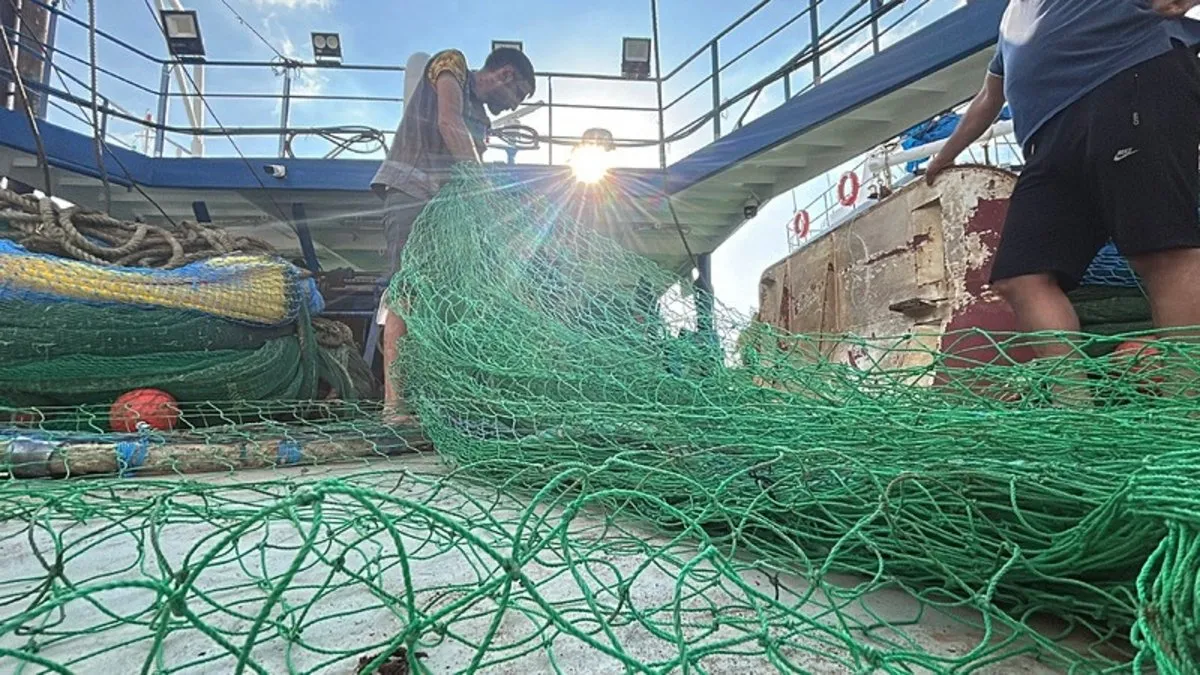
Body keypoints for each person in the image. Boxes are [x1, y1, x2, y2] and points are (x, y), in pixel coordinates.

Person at [925, 0, 1200, 374]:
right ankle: (1072, 413)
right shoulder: (1011, 20)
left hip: (1130, 81)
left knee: (1164, 251)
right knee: (1020, 277)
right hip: (1047, 141)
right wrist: (946, 154)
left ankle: (1184, 412)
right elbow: (989, 98)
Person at [371, 47, 535, 417]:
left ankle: (434, 395)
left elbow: (469, 155)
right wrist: (482, 190)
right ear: (505, 75)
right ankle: (395, 405)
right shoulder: (453, 66)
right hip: (411, 191)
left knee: (443, 296)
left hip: (444, 210)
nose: (513, 106)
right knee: (407, 291)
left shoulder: (484, 121)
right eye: (518, 95)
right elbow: (449, 123)